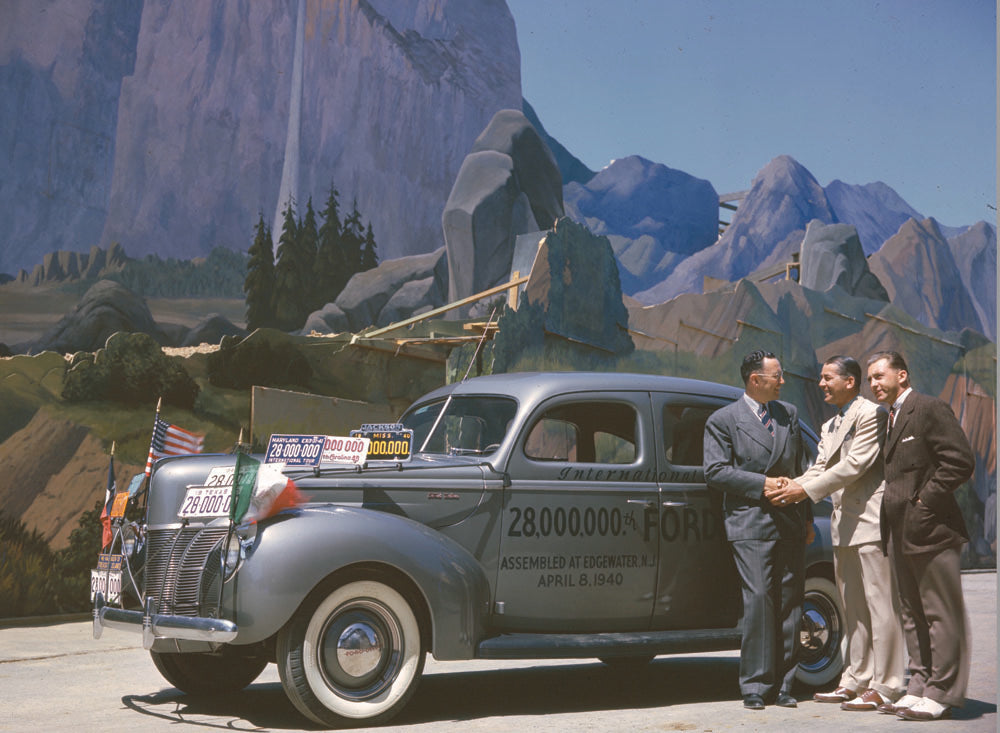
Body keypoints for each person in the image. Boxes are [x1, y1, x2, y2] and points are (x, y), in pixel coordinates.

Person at [764, 355, 905, 711]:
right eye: (821, 379)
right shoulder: (829, 426)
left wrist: (802, 492)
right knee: (853, 607)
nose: (822, 384)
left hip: (871, 523)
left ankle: (886, 684)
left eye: (828, 378)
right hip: (844, 526)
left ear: (850, 382)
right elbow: (821, 467)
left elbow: (854, 466)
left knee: (880, 607)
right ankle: (855, 679)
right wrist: (789, 485)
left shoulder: (870, 414)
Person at [865, 351, 974, 721]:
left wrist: (924, 501)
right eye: (870, 379)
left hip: (932, 529)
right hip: (899, 529)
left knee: (939, 614)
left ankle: (943, 691)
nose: (874, 384)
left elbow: (959, 461)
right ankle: (920, 685)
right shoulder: (889, 418)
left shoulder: (929, 408)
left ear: (903, 375)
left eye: (880, 376)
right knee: (911, 613)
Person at [703, 350, 810, 710]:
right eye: (776, 376)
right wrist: (763, 484)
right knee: (760, 599)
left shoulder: (788, 415)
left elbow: (802, 468)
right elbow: (715, 471)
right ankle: (755, 684)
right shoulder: (724, 420)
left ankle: (784, 684)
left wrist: (807, 518)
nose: (782, 382)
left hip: (790, 520)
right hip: (750, 521)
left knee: (790, 601)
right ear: (755, 380)